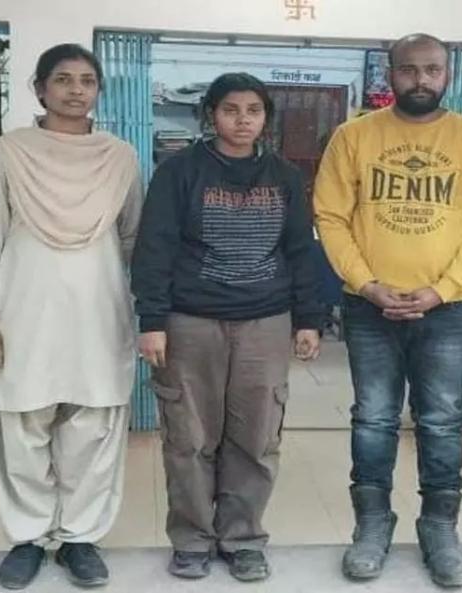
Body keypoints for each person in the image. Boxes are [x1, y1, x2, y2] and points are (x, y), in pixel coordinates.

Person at [314, 33, 462, 588]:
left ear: (448, 75)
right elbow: (330, 216)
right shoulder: (354, 137)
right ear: (389, 75)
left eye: (431, 69)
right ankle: (372, 526)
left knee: (442, 419)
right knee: (373, 418)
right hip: (368, 305)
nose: (420, 79)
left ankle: (440, 528)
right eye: (408, 69)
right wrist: (367, 284)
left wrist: (444, 288)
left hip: (447, 308)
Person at [131, 72, 324, 583]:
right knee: (189, 437)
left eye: (253, 111)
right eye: (231, 110)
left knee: (256, 438)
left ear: (266, 119)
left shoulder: (283, 176)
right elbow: (155, 247)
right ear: (210, 115)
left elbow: (300, 250)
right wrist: (152, 320)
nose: (242, 121)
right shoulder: (179, 172)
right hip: (191, 321)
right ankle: (192, 540)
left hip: (265, 321)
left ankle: (242, 539)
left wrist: (308, 318)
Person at [0, 43, 143, 589]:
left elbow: (134, 240)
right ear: (39, 89)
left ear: (99, 90)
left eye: (87, 80)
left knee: (94, 426)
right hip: (25, 309)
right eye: (62, 79)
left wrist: (149, 313)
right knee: (22, 425)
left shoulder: (120, 157)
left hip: (99, 309)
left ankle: (80, 538)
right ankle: (29, 536)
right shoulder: (8, 152)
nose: (75, 90)